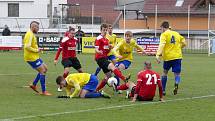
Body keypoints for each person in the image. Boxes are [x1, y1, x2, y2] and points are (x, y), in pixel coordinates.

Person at [95, 23, 130, 92]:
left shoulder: (106, 40)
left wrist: (110, 48)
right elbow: (96, 48)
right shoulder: (99, 38)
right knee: (112, 66)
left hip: (104, 58)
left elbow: (108, 50)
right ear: (100, 30)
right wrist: (98, 51)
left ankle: (97, 89)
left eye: (106, 30)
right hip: (100, 58)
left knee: (108, 76)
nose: (105, 31)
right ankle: (124, 78)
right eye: (103, 30)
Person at [156, 21, 186, 95]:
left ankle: (163, 90)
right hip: (177, 56)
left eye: (161, 28)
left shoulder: (164, 34)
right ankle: (176, 83)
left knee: (164, 72)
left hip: (168, 57)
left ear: (163, 27)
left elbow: (162, 44)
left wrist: (158, 54)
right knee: (177, 74)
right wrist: (180, 47)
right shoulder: (176, 33)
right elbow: (184, 42)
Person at [23, 21, 51, 96]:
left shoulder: (31, 34)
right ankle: (43, 91)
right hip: (31, 57)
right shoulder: (29, 34)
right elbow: (27, 46)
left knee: (45, 68)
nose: (38, 29)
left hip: (34, 56)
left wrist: (37, 50)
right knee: (43, 71)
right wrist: (36, 50)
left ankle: (33, 84)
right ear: (33, 27)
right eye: (37, 27)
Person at [54, 27, 83, 91]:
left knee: (81, 71)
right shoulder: (64, 40)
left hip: (74, 58)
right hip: (66, 58)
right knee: (67, 71)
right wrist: (56, 59)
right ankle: (61, 85)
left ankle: (82, 84)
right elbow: (59, 50)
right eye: (71, 33)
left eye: (74, 33)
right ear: (68, 33)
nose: (73, 35)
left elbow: (73, 48)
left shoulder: (75, 39)